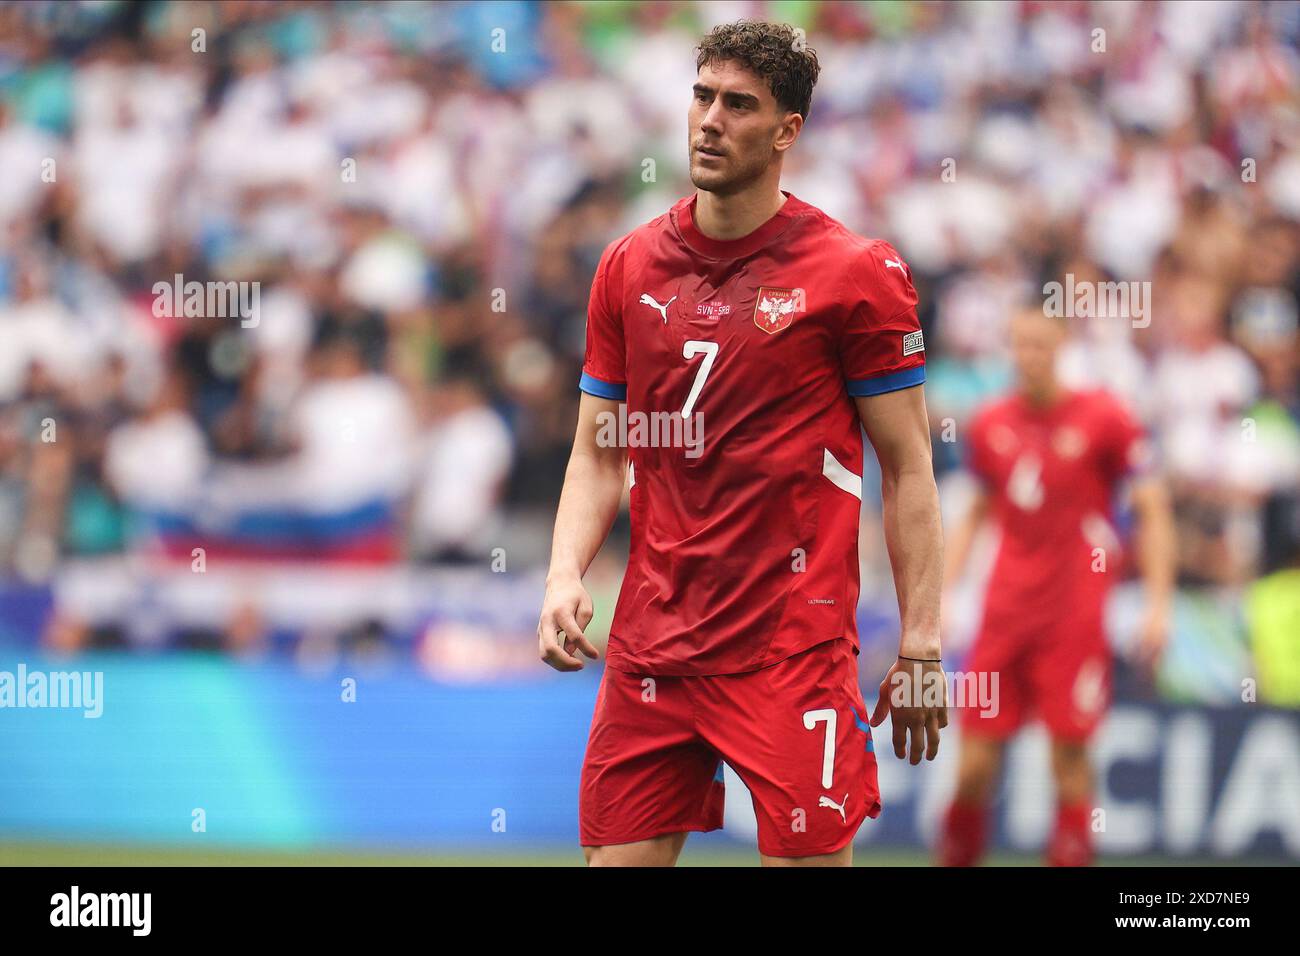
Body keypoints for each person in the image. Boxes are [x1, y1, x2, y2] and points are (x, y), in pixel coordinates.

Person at [537, 20, 946, 867]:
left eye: (738, 105)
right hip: (652, 643)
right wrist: (563, 572)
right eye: (701, 97)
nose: (710, 121)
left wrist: (921, 644)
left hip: (789, 649)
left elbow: (908, 469)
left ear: (788, 131)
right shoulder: (627, 266)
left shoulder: (854, 274)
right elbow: (600, 451)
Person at [939, 305, 1176, 866]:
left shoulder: (1105, 417)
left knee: (1068, 759)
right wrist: (944, 594)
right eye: (1020, 345)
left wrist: (1159, 604)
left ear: (1063, 346)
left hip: (1074, 614)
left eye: (1041, 345)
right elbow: (977, 510)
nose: (1030, 357)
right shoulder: (991, 421)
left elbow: (1154, 508)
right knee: (973, 764)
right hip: (1004, 611)